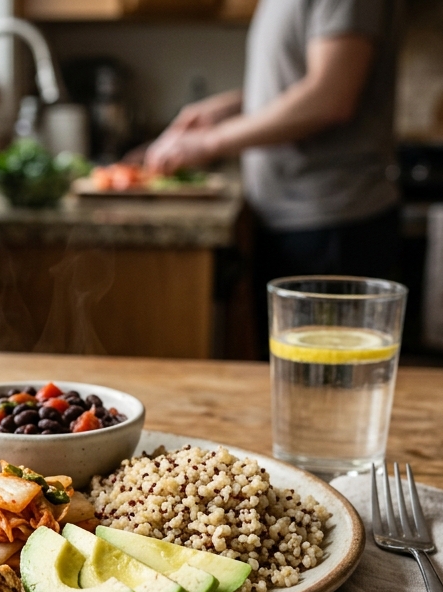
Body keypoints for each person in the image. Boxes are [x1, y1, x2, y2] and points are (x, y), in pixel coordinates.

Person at [143, 0, 403, 354]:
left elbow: (331, 96)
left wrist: (211, 141)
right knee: (293, 378)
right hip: (292, 218)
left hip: (332, 226)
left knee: (326, 388)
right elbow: (295, 82)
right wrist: (233, 107)